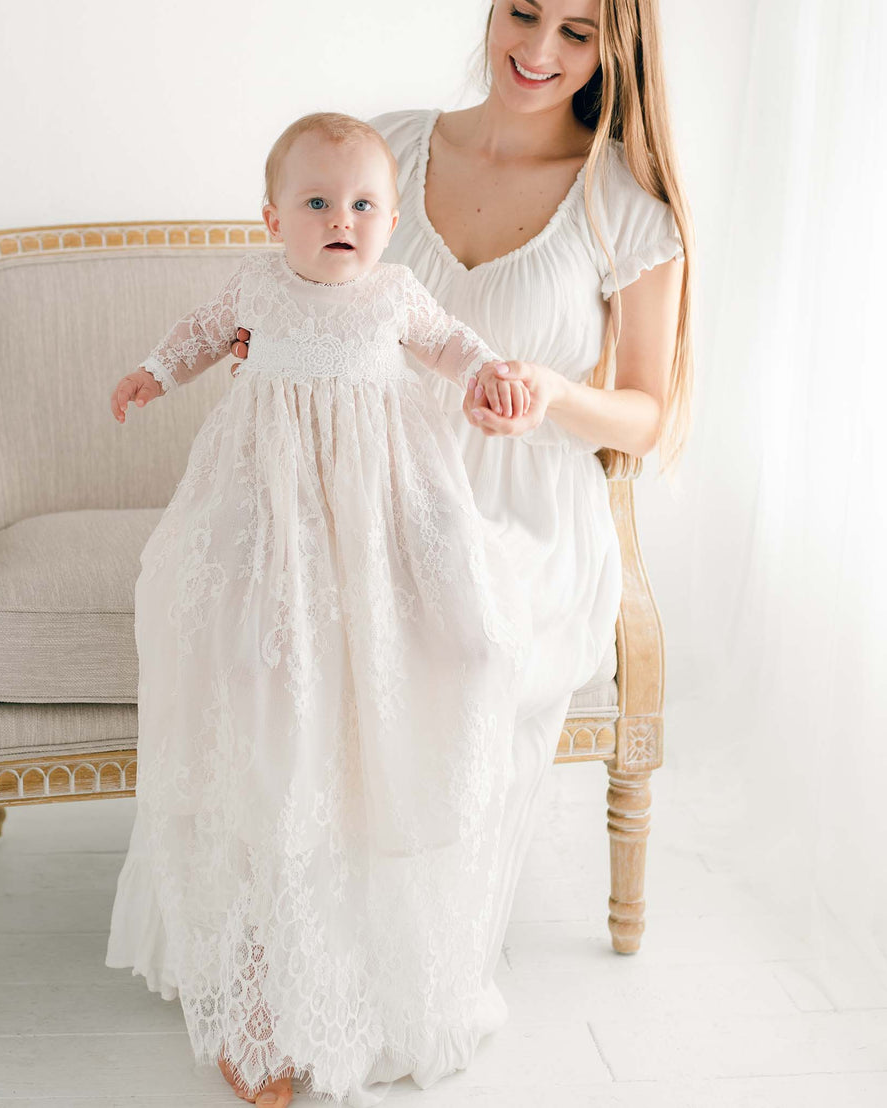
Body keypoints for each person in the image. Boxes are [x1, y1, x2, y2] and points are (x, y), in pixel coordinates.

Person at [224, 0, 694, 1102]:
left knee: (453, 652)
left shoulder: (621, 201)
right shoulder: (382, 146)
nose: (536, 51)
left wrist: (549, 393)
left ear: (613, 52)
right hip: (370, 488)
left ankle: (385, 978)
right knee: (306, 644)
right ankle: (282, 964)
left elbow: (648, 413)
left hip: (522, 511)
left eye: (575, 34)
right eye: (522, 14)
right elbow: (295, 288)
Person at [105, 110, 554, 1108]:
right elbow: (196, 336)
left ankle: (370, 978)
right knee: (252, 673)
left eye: (361, 204)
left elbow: (449, 344)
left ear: (390, 221)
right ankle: (260, 1005)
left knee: (459, 633)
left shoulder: (394, 294)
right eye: (315, 202)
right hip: (269, 520)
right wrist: (154, 372)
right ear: (273, 217)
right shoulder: (256, 287)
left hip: (378, 520)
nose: (338, 218)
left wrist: (489, 373)